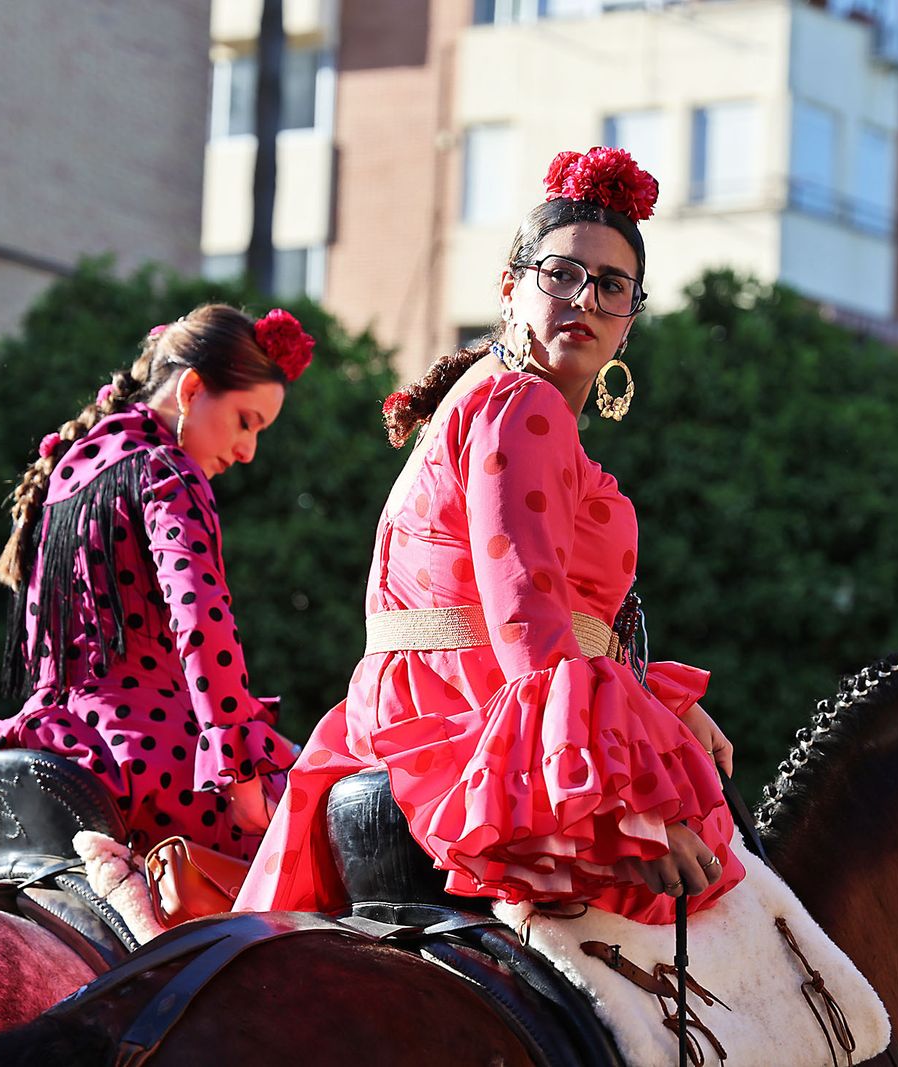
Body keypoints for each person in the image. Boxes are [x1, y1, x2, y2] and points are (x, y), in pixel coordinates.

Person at [235, 147, 742, 924]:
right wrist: (628, 805)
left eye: (611, 285)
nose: (584, 297)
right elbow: (525, 618)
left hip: (433, 701)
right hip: (465, 712)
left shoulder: (490, 400)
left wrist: (650, 699)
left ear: (630, 321)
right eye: (561, 273)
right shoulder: (523, 406)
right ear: (511, 289)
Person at [0, 304, 313, 883]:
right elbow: (201, 624)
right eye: (246, 421)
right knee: (329, 813)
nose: (248, 451)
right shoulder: (168, 471)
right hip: (152, 751)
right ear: (192, 389)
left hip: (53, 728)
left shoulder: (71, 470)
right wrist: (239, 775)